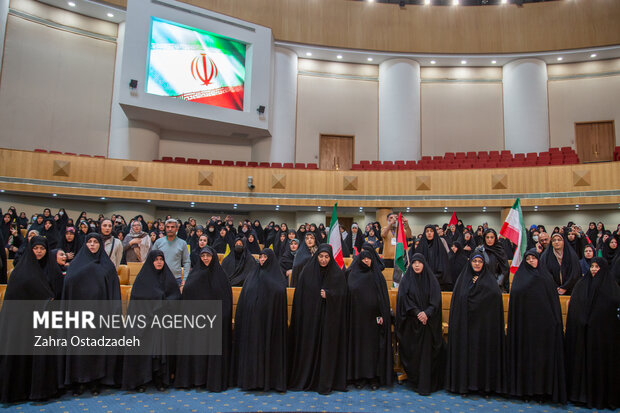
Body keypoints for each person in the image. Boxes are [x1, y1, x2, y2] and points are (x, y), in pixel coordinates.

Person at [0, 236, 59, 402]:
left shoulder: (51, 268)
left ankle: (41, 390)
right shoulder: (20, 271)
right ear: (30, 249)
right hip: (22, 324)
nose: (39, 252)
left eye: (42, 249)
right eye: (36, 248)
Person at [62, 233, 121, 396]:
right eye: (89, 242)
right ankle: (80, 381)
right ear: (85, 244)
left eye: (96, 242)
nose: (93, 245)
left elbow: (114, 289)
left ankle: (96, 381)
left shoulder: (107, 266)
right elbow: (68, 286)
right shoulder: (75, 264)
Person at [506, 249, 566, 404]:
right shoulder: (520, 277)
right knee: (526, 359)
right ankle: (525, 391)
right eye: (528, 258)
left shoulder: (546, 277)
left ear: (539, 260)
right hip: (525, 328)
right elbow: (516, 299)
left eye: (534, 258)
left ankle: (542, 392)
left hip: (543, 329)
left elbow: (553, 303)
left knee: (541, 361)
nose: (531, 260)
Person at [288, 244, 348, 394]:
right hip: (311, 321)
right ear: (317, 256)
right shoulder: (307, 272)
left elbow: (344, 296)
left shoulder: (337, 274)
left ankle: (326, 381)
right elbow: (301, 297)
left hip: (329, 322)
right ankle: (309, 379)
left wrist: (330, 295)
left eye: (327, 257)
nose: (323, 260)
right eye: (321, 256)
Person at [445, 250, 505, 395]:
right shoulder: (462, 280)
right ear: (470, 262)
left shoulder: (490, 281)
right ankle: (464, 386)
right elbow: (458, 301)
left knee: (482, 357)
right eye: (474, 261)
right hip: (466, 328)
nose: (477, 264)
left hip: (484, 328)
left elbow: (494, 299)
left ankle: (484, 387)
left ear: (483, 264)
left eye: (479, 262)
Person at [122, 250, 181, 392]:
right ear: (151, 261)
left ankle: (160, 379)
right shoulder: (142, 279)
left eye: (161, 259)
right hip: (145, 322)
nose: (159, 262)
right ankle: (142, 380)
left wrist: (162, 306)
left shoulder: (169, 278)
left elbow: (176, 299)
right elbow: (137, 303)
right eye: (156, 259)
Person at [175, 246, 232, 392]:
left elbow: (226, 300)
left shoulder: (221, 276)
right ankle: (196, 379)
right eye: (203, 256)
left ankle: (211, 380)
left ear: (213, 257)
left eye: (208, 256)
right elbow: (187, 296)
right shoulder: (195, 275)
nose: (205, 258)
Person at [565, 257, 620, 409]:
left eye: (597, 267)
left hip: (603, 339)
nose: (594, 269)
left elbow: (613, 311)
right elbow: (575, 308)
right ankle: (581, 395)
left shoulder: (612, 288)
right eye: (592, 266)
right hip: (584, 336)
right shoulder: (582, 285)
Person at [232, 249, 287, 391]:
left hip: (269, 324)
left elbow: (279, 293)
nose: (262, 260)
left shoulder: (277, 277)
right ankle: (251, 381)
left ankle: (268, 381)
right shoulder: (252, 275)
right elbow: (245, 296)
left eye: (265, 257)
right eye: (261, 257)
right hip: (252, 322)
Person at [395, 253, 445, 395]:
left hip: (428, 322)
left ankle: (427, 381)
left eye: (419, 262)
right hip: (411, 322)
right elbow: (404, 300)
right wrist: (417, 312)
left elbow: (435, 300)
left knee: (428, 349)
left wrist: (426, 313)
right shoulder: (407, 280)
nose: (416, 265)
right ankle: (415, 379)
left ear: (424, 264)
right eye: (414, 263)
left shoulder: (432, 280)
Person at [346, 249, 393, 389]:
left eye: (369, 258)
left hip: (374, 320)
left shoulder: (377, 275)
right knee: (358, 348)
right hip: (356, 320)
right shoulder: (352, 274)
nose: (366, 261)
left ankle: (373, 378)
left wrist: (382, 315)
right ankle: (358, 377)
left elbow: (383, 299)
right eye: (364, 258)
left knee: (372, 350)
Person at [152, 219, 191, 287]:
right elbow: (151, 259)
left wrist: (185, 278)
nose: (170, 229)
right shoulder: (158, 242)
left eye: (172, 227)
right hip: (159, 277)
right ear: (165, 228)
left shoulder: (183, 243)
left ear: (177, 228)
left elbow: (186, 262)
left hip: (176, 279)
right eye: (168, 227)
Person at [413, 225, 451, 291]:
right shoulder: (420, 248)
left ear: (435, 233)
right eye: (427, 231)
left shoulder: (440, 248)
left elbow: (444, 266)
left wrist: (433, 277)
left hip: (438, 282)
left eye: (431, 231)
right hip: (422, 281)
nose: (429, 233)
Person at [482, 229, 510, 293]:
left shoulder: (500, 251)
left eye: (492, 237)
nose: (489, 239)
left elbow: (505, 270)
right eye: (487, 237)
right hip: (483, 285)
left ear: (495, 238)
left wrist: (496, 284)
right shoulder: (480, 251)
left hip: (497, 286)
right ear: (484, 238)